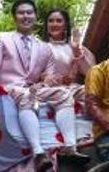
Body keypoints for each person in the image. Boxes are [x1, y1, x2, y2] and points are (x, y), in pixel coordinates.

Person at [0, 0, 52, 160]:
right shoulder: (2, 38)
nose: (25, 16)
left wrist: (43, 84)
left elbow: (51, 74)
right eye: (21, 13)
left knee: (65, 94)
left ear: (36, 17)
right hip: (7, 92)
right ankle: (38, 152)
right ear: (14, 17)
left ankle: (70, 146)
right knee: (26, 95)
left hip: (34, 92)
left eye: (29, 12)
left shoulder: (44, 47)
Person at [32, 9, 95, 148]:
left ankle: (92, 134)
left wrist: (77, 50)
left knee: (89, 91)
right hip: (48, 90)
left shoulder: (75, 47)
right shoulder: (38, 48)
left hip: (72, 88)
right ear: (46, 25)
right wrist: (44, 77)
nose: (54, 24)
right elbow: (30, 73)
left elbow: (92, 73)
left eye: (59, 21)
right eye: (51, 21)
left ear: (66, 25)